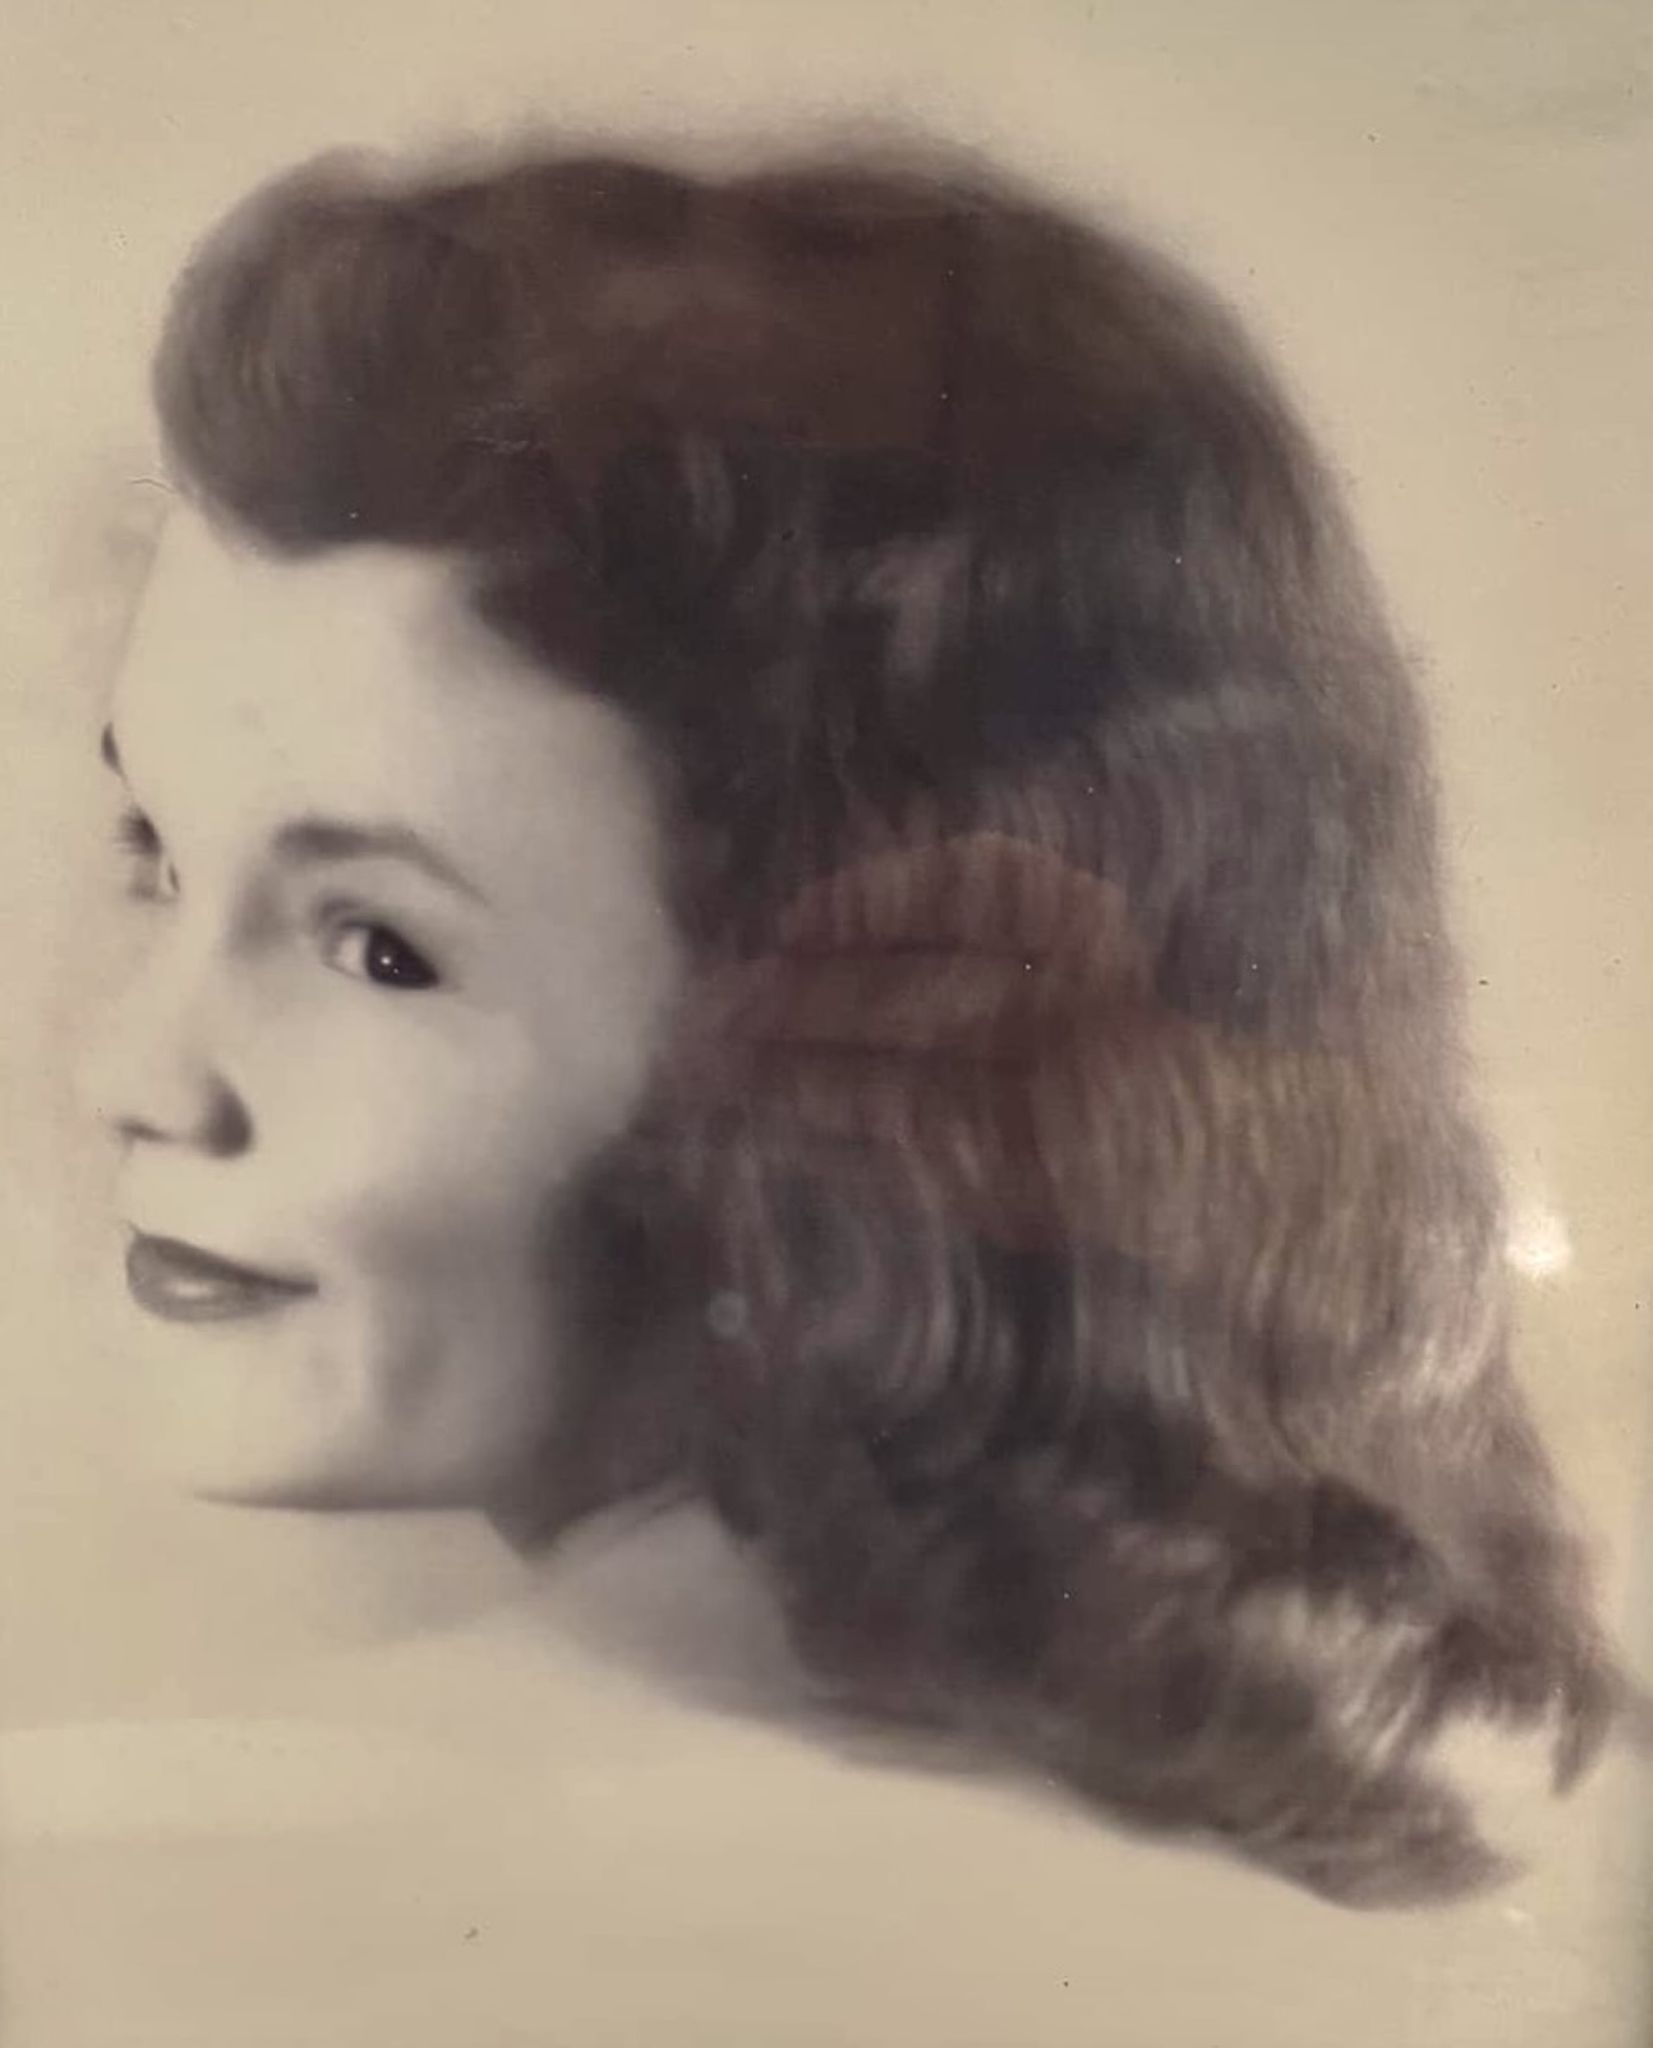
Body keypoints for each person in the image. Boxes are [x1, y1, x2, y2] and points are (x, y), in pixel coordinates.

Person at [78, 134, 1638, 1906]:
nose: (136, 1074)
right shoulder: (1405, 1758)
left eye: (375, 948)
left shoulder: (346, 1879)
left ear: (881, 1048)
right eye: (154, 853)